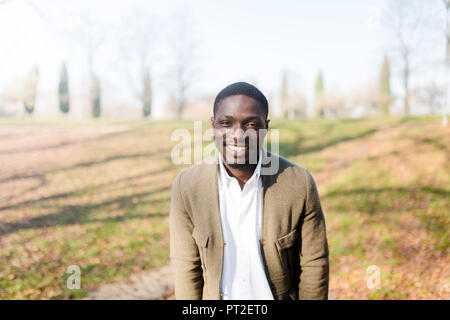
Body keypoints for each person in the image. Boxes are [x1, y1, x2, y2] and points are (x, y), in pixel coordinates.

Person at [169, 82, 329, 300]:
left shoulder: (299, 183)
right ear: (213, 125)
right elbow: (186, 267)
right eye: (226, 123)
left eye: (251, 125)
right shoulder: (187, 186)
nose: (238, 135)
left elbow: (314, 262)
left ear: (266, 128)